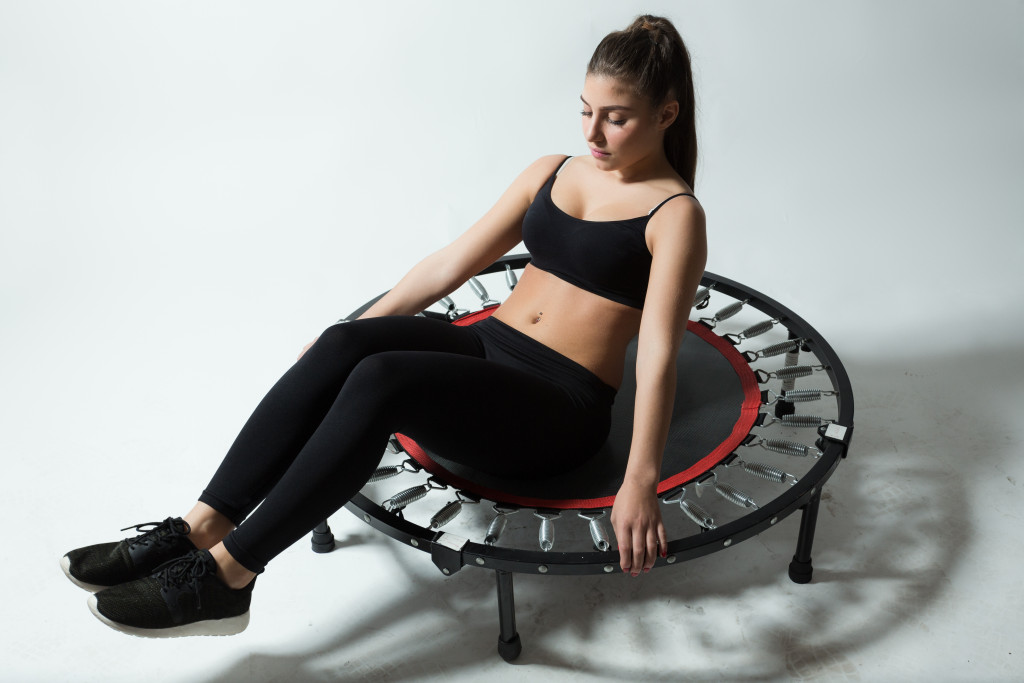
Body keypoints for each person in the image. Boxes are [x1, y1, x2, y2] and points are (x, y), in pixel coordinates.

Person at [60, 14, 707, 637]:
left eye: (616, 118)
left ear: (666, 114)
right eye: (586, 111)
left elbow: (655, 352)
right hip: (490, 349)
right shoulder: (553, 169)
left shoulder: (674, 214)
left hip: (560, 409)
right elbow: (451, 262)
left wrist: (639, 479)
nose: (595, 132)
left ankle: (228, 576)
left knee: (383, 378)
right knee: (348, 342)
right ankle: (197, 526)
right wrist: (351, 332)